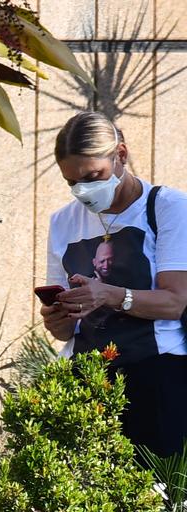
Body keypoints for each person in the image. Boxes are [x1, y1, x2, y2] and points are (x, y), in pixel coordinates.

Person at [42, 111, 187, 458]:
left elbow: (175, 302)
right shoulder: (63, 222)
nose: (83, 191)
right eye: (72, 183)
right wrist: (59, 319)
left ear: (120, 154)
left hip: (157, 375)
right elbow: (65, 330)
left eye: (93, 177)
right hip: (87, 378)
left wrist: (108, 294)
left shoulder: (167, 208)